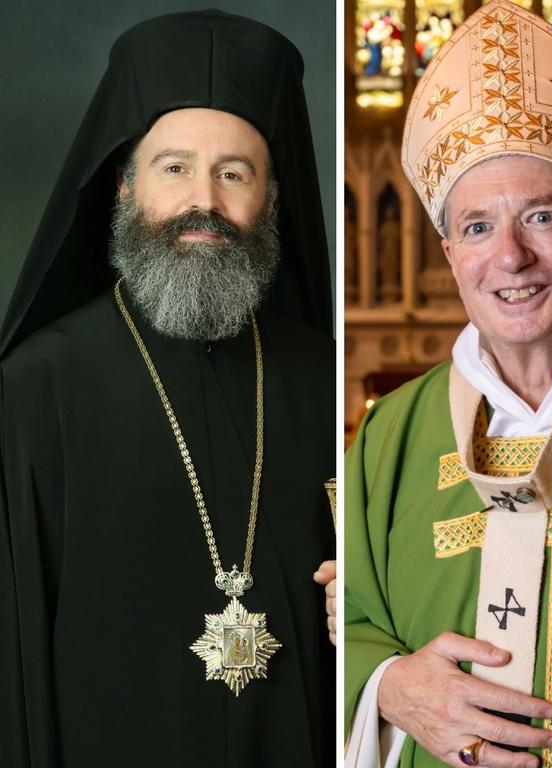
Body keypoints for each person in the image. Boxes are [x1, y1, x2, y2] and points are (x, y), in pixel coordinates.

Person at [330, 2, 552, 766]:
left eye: (543, 217)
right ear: (452, 255)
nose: (510, 258)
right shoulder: (392, 433)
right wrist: (387, 685)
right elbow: (345, 622)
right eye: (479, 228)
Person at [0, 11, 335, 767]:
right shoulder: (32, 392)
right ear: (124, 188)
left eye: (234, 173)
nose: (204, 203)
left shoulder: (325, 381)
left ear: (272, 199)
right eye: (174, 167)